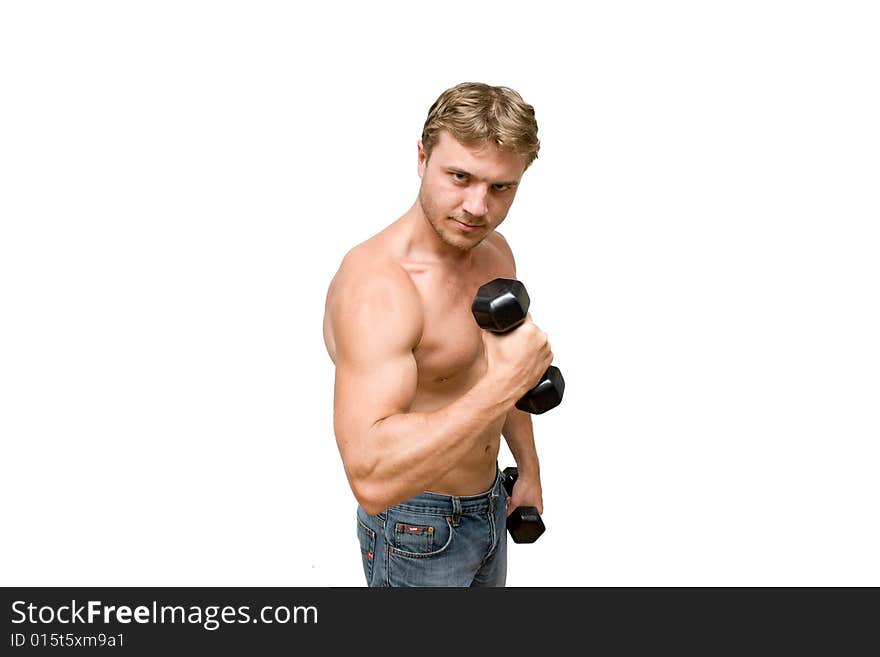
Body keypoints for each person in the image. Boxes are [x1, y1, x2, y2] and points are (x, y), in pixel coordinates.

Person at [322, 82, 554, 587]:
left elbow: (499, 373)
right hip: (417, 530)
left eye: (500, 188)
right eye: (460, 177)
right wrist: (505, 384)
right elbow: (370, 475)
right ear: (422, 158)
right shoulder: (379, 287)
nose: (477, 207)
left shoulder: (494, 254)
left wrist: (529, 468)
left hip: (492, 504)